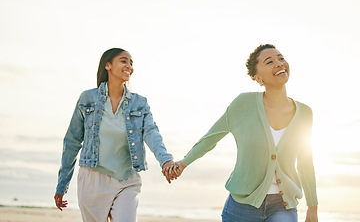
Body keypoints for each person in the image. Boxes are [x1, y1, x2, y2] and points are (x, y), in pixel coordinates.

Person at [170, 44, 318, 222]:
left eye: (281, 58)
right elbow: (211, 138)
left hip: (283, 206)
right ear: (258, 77)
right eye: (269, 62)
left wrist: (312, 207)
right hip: (242, 206)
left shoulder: (305, 113)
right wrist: (183, 163)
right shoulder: (243, 104)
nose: (279, 63)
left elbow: (305, 162)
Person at [54, 48, 176, 222]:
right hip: (93, 179)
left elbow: (151, 132)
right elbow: (72, 142)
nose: (129, 66)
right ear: (108, 65)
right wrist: (62, 184)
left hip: (127, 179)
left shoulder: (139, 103)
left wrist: (166, 160)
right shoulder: (87, 99)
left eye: (131, 63)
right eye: (124, 61)